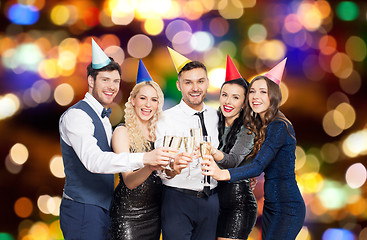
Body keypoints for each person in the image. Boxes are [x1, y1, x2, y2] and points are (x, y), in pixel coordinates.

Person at [59, 39, 171, 240]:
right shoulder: (77, 116)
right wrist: (145, 159)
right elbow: (94, 161)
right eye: (105, 80)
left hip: (105, 208)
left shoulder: (103, 117)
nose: (111, 86)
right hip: (83, 209)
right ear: (91, 81)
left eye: (116, 81)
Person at [202, 58, 306, 240]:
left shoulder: (278, 125)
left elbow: (258, 166)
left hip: (287, 206)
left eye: (263, 92)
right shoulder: (263, 124)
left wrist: (222, 174)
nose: (256, 96)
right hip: (271, 205)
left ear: (273, 96)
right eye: (252, 91)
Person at [155, 47, 220, 240]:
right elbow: (159, 159)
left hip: (212, 200)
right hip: (177, 198)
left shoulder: (218, 117)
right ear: (178, 85)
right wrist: (172, 165)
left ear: (207, 83)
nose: (195, 88)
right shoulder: (164, 118)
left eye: (200, 81)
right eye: (188, 82)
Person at [110, 59, 165, 240]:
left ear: (158, 105)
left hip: (155, 215)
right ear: (133, 100)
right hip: (128, 216)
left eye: (153, 99)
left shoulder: (160, 135)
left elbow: (165, 176)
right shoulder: (122, 132)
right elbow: (129, 182)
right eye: (143, 98)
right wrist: (150, 164)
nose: (148, 104)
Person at [209, 56, 257, 240]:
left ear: (244, 102)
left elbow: (233, 161)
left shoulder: (248, 130)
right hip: (212, 201)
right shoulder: (211, 120)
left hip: (238, 204)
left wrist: (211, 152)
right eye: (225, 95)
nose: (228, 101)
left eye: (235, 97)